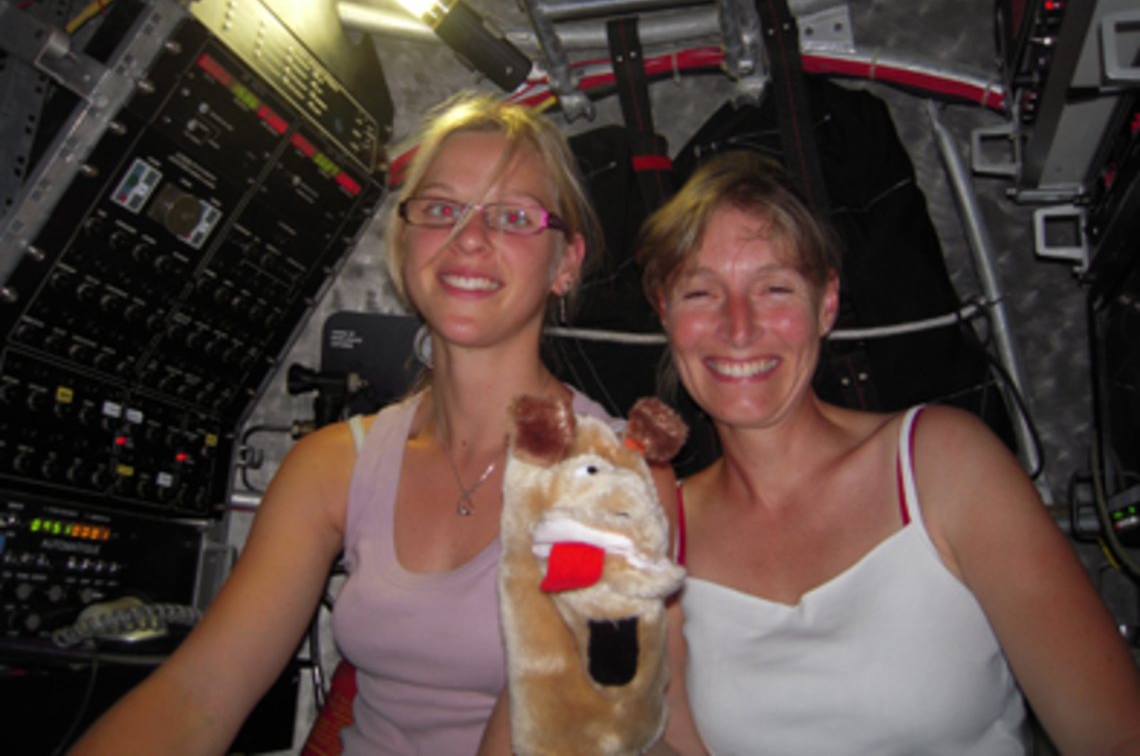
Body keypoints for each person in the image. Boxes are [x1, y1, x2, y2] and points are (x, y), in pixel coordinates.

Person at [69, 92, 654, 755]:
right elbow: (198, 695)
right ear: (405, 241)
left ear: (566, 263)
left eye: (513, 216)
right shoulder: (330, 466)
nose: (468, 238)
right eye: (441, 209)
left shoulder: (616, 475)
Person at [636, 151, 1140, 756]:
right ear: (664, 312)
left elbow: (1116, 734)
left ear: (826, 303)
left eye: (774, 288)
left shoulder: (943, 463)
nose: (738, 327)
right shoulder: (656, 531)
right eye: (700, 293)